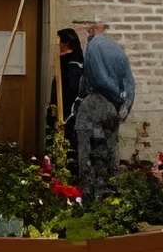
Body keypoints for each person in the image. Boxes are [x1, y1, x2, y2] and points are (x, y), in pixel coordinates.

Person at [76, 19, 136, 202]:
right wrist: (123, 105)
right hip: (113, 108)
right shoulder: (117, 49)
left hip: (95, 102)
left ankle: (90, 195)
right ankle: (111, 191)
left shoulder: (93, 47)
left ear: (92, 30)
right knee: (110, 148)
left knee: (88, 150)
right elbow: (130, 83)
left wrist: (110, 95)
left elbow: (96, 79)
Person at [47, 27, 84, 146]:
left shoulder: (73, 64)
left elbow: (72, 88)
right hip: (61, 109)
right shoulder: (68, 61)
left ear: (66, 43)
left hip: (68, 112)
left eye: (59, 42)